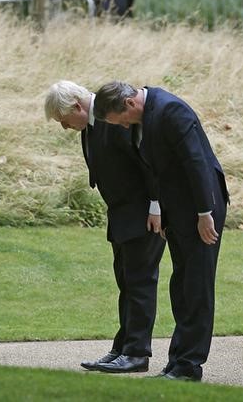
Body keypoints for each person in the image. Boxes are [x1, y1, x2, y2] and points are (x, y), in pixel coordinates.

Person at [93, 81, 229, 382]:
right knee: (180, 285)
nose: (125, 127)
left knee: (196, 286)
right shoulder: (143, 118)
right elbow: (159, 172)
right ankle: (176, 362)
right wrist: (166, 217)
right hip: (179, 210)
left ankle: (189, 365)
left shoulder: (171, 111)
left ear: (129, 105)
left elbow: (196, 163)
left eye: (122, 121)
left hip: (201, 207)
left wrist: (205, 213)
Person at [44, 80, 165, 374]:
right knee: (126, 281)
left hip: (143, 212)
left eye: (64, 121)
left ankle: (137, 353)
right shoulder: (92, 124)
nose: (65, 127)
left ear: (76, 106)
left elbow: (149, 161)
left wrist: (156, 205)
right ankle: (123, 346)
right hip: (121, 212)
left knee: (139, 282)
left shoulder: (116, 115)